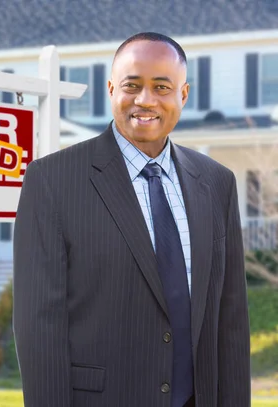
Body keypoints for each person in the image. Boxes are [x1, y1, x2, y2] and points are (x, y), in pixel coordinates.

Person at [12, 32, 251, 407]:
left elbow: (231, 320)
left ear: (182, 95)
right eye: (132, 85)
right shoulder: (53, 180)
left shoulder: (217, 183)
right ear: (111, 89)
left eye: (161, 87)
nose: (145, 100)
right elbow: (39, 326)